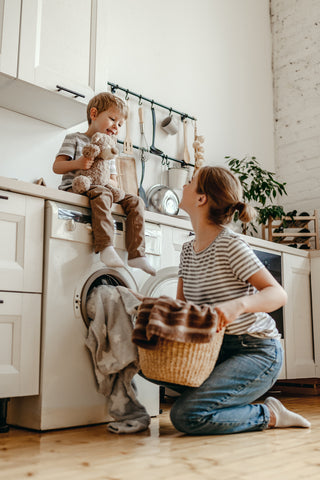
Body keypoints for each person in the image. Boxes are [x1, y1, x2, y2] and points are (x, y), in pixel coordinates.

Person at [165, 165, 310, 434]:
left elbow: (277, 294)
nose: (184, 185)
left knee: (186, 416)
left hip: (255, 350)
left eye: (191, 181)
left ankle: (270, 414)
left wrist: (238, 305)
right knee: (142, 361)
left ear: (201, 198)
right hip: (215, 349)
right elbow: (182, 309)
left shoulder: (230, 244)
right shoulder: (187, 250)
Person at [53, 92, 155, 276]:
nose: (116, 127)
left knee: (136, 201)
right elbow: (57, 166)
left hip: (101, 188)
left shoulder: (110, 149)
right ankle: (106, 247)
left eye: (120, 124)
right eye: (112, 119)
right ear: (94, 114)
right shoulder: (74, 138)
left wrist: (106, 179)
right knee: (103, 193)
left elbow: (113, 180)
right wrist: (78, 164)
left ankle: (137, 254)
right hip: (77, 187)